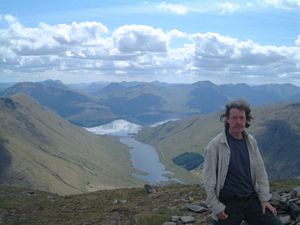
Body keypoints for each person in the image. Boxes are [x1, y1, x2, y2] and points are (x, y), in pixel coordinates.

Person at [203, 99, 283, 225]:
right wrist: (216, 208)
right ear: (227, 120)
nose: (238, 122)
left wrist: (263, 199)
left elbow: (261, 172)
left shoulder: (251, 141)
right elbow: (208, 180)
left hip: (251, 199)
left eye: (242, 118)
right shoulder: (215, 145)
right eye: (234, 118)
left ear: (246, 120)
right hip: (228, 203)